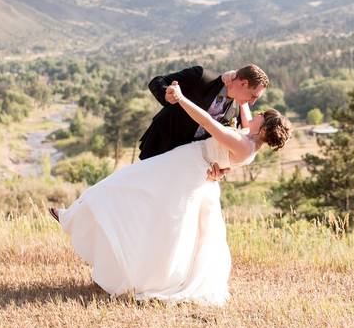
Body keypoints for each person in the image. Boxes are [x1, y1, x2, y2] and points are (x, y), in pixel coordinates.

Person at [49, 79, 291, 305]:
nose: (256, 112)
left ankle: (82, 223)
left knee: (129, 189)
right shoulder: (251, 140)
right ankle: (78, 217)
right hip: (187, 167)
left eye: (261, 115)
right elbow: (244, 112)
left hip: (185, 169)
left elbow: (208, 122)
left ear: (264, 128)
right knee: (151, 208)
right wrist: (242, 92)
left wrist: (182, 98)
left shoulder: (243, 143)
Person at [138, 64, 269, 180]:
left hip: (187, 168)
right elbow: (157, 81)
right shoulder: (201, 77)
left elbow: (228, 147)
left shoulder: (237, 111)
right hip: (159, 148)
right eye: (253, 96)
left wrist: (222, 171)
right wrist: (166, 95)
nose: (252, 102)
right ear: (243, 83)